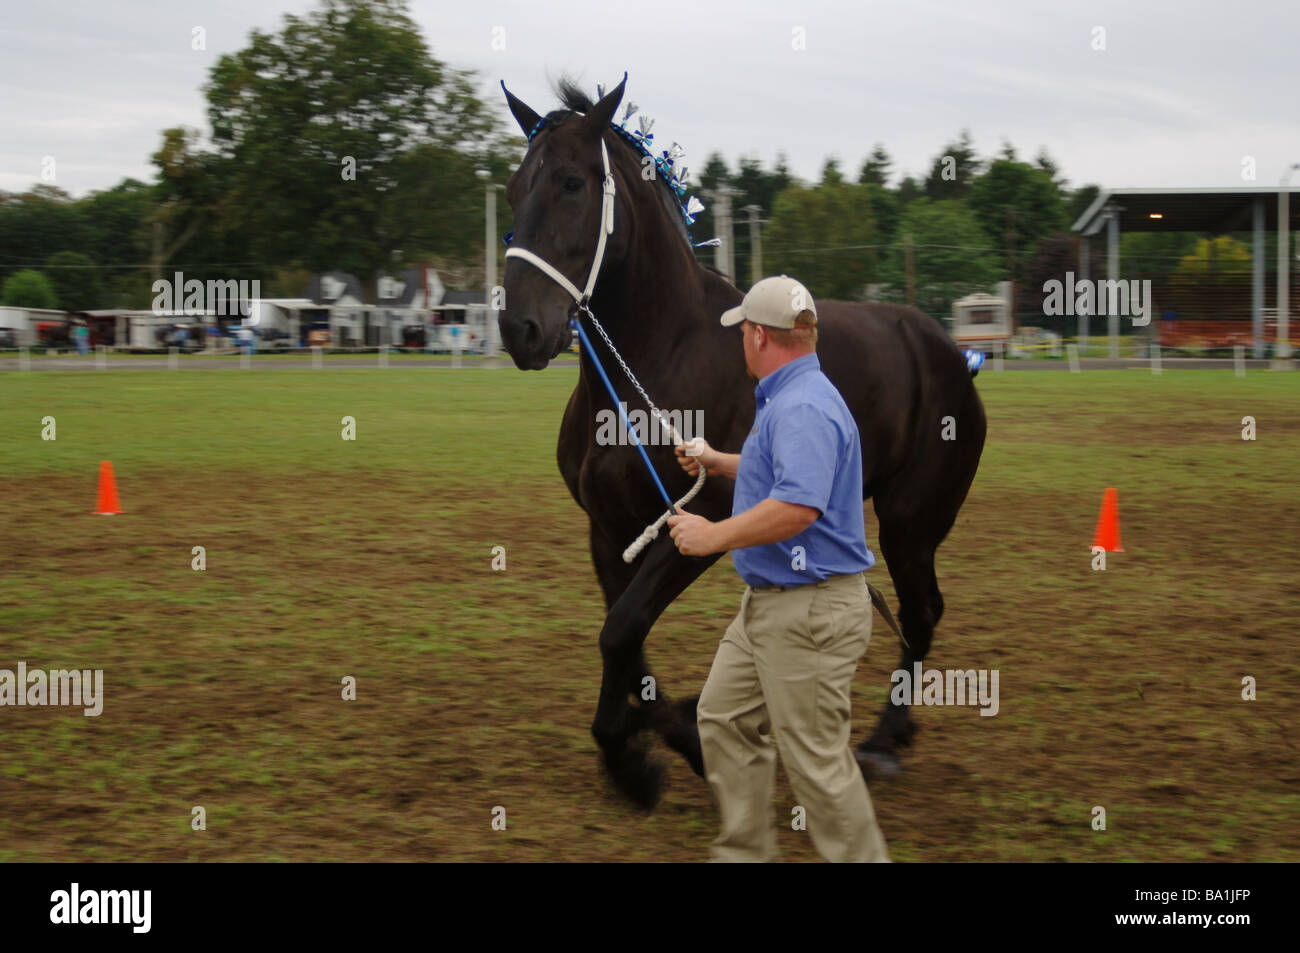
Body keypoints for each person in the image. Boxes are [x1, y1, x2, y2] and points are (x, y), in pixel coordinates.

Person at [666, 275, 889, 863]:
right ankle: (745, 854)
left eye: (743, 331)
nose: (740, 340)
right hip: (773, 606)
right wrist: (716, 461)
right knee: (722, 718)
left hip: (807, 614)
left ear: (761, 336)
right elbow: (781, 473)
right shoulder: (792, 394)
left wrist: (713, 535)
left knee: (817, 765)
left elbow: (797, 506)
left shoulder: (802, 405)